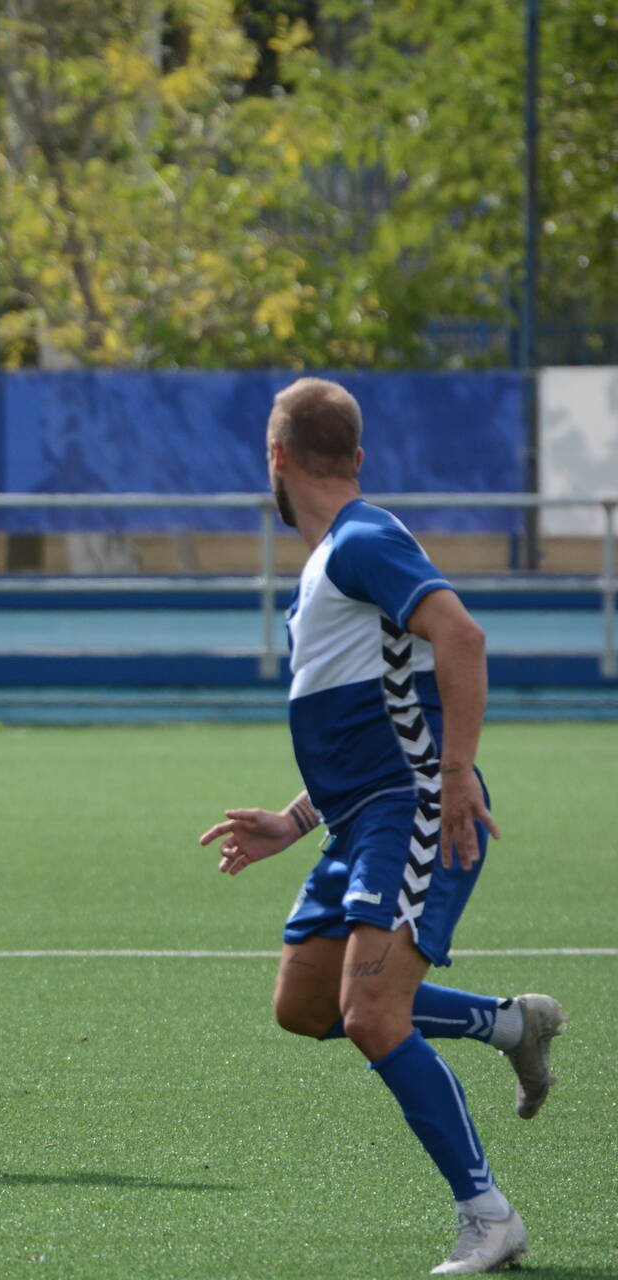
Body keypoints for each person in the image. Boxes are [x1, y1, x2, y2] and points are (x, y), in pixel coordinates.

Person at [198, 378, 565, 1275]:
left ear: (275, 459)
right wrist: (293, 819)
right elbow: (371, 722)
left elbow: (462, 638)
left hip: (411, 812)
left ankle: (489, 1217)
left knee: (370, 1015)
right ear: (355, 456)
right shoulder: (334, 559)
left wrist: (451, 776)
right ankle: (510, 1027)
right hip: (363, 816)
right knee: (308, 1007)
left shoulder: (363, 538)